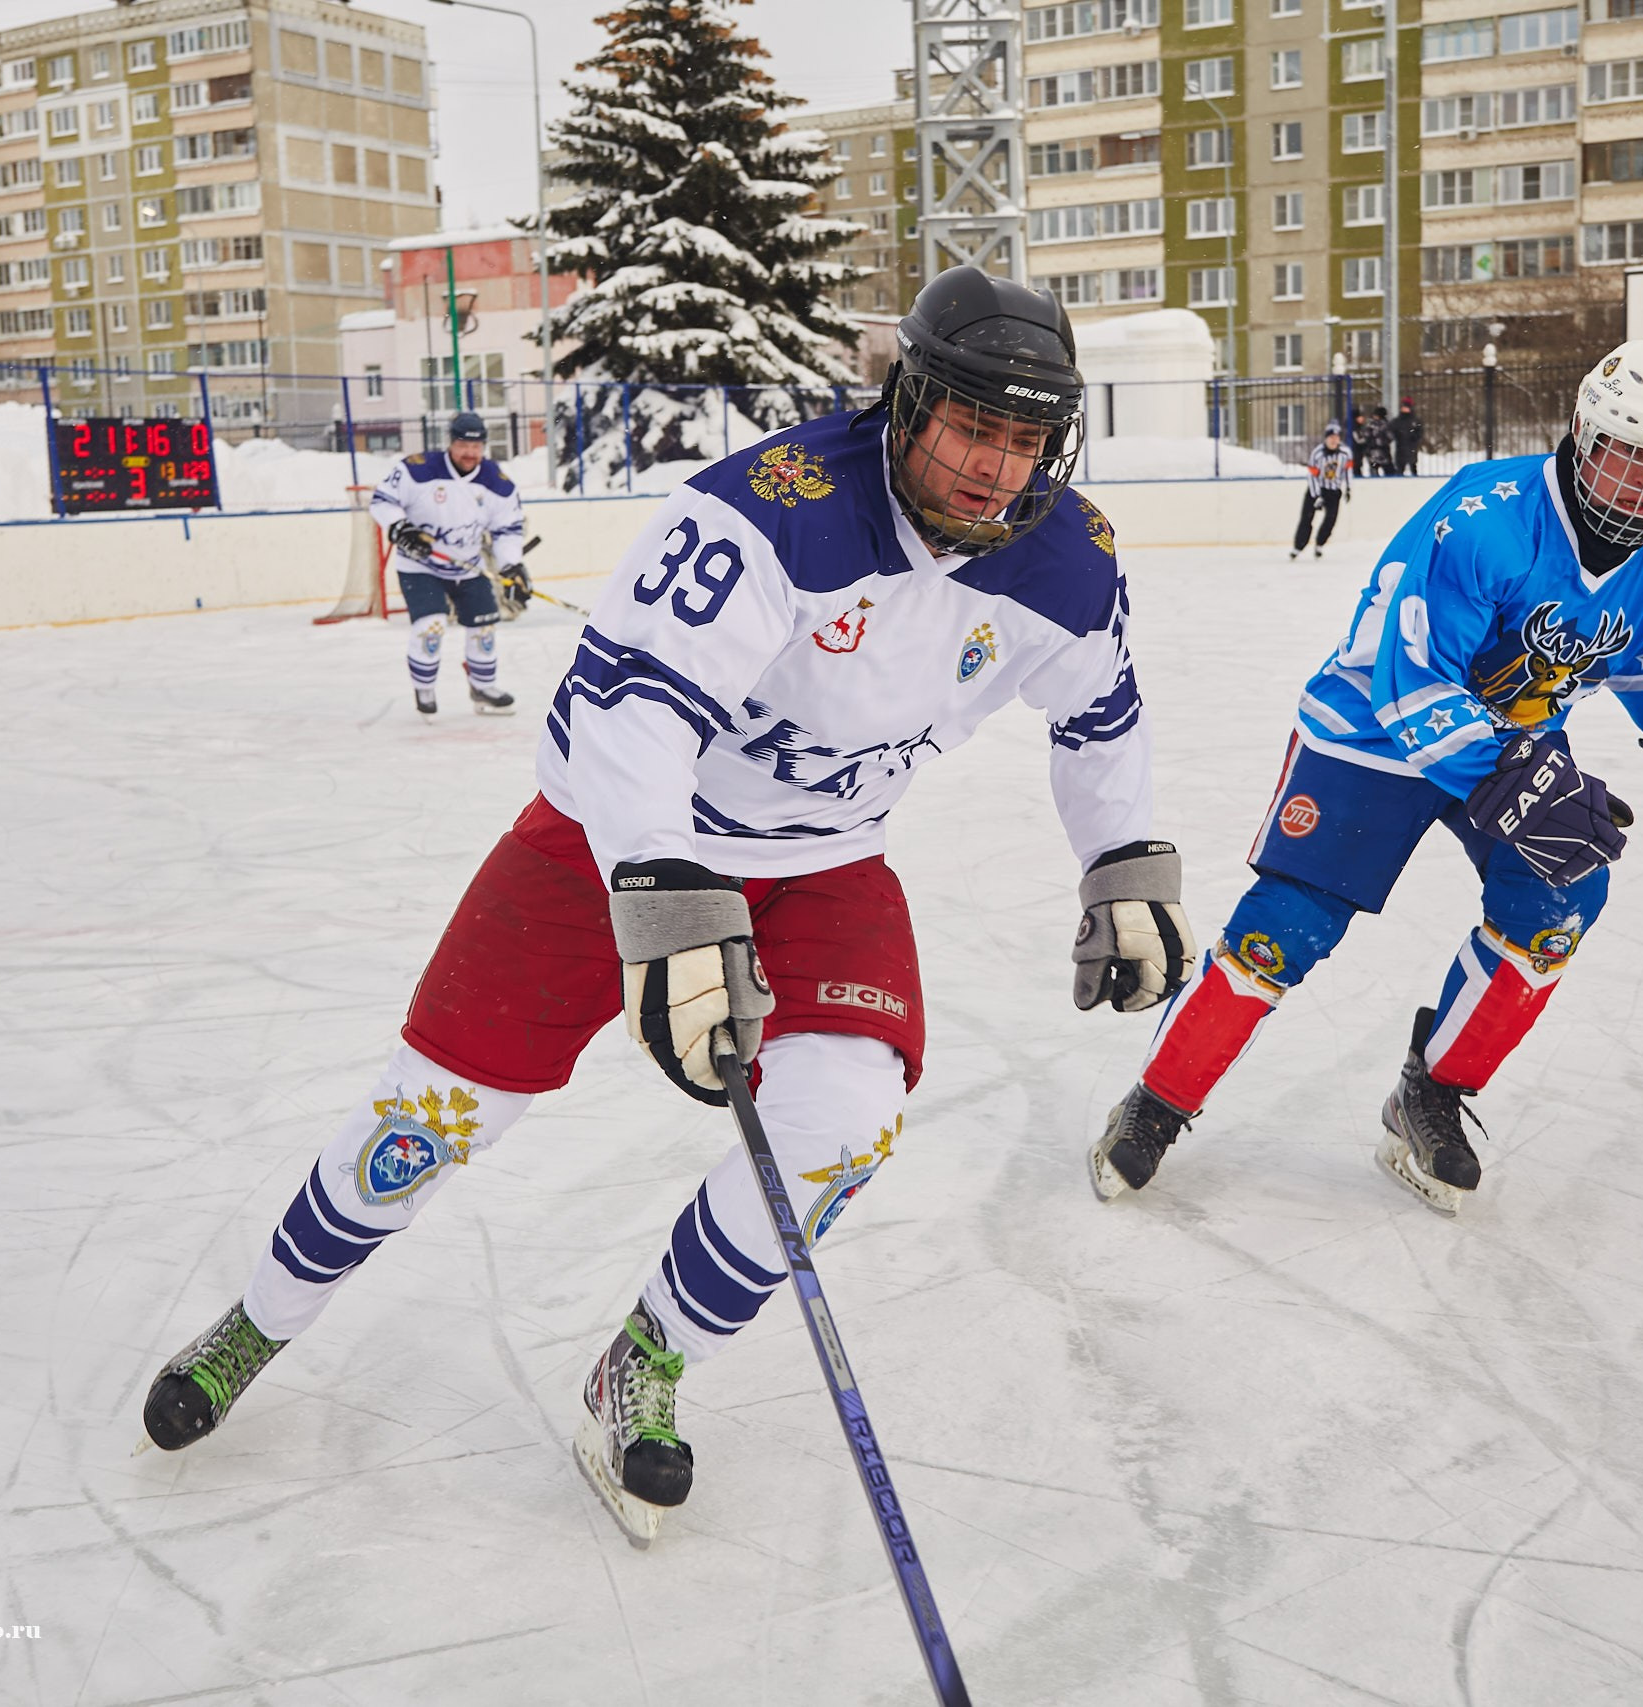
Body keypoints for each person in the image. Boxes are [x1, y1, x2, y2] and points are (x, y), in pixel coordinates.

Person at [139, 267, 1198, 1540]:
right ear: (907, 402)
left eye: (1025, 440)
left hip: (821, 864)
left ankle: (644, 1362)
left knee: (845, 1121)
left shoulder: (1068, 559)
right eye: (971, 426)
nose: (993, 466)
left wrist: (1124, 856)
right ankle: (256, 1322)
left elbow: (1100, 720)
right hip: (608, 847)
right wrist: (661, 882)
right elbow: (625, 710)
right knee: (427, 1120)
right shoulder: (768, 512)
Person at [1088, 340, 1643, 1215]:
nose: (1638, 484)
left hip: (1513, 741)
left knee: (1560, 905)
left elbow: (1635, 637)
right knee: (1285, 929)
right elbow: (1412, 680)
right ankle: (1158, 1100)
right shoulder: (1483, 520)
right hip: (1372, 736)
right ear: (1584, 433)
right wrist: (1514, 770)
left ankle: (1428, 1091)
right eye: (1625, 452)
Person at [370, 411, 530, 716]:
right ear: (450, 443)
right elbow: (382, 501)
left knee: (484, 627)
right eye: (462, 445)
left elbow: (508, 529)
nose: (469, 453)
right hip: (421, 565)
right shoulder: (417, 470)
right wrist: (400, 528)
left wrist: (512, 566)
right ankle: (425, 687)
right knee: (433, 624)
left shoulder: (498, 483)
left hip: (468, 565)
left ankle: (482, 687)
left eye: (476, 446)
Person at [1292, 422, 1354, 559]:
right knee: (1306, 518)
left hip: (1334, 491)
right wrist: (1317, 496)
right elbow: (1312, 476)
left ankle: (1320, 544)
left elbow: (1347, 471)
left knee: (1330, 520)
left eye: (1336, 437)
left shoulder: (1345, 453)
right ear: (1326, 438)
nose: (1334, 440)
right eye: (1331, 437)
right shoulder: (1317, 453)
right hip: (1317, 489)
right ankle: (1298, 547)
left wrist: (1348, 488)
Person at [1388, 395, 1424, 476]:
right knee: (1400, 467)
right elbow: (1391, 430)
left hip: (1412, 447)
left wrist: (1414, 437)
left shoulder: (1415, 420)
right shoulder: (1397, 420)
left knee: (1413, 466)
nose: (1404, 409)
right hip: (1400, 447)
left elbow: (1420, 432)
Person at [1353, 408, 1389, 479]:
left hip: (1372, 453)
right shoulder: (1356, 428)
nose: (1362, 418)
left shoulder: (1367, 426)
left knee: (1375, 470)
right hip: (1363, 453)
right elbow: (1360, 440)